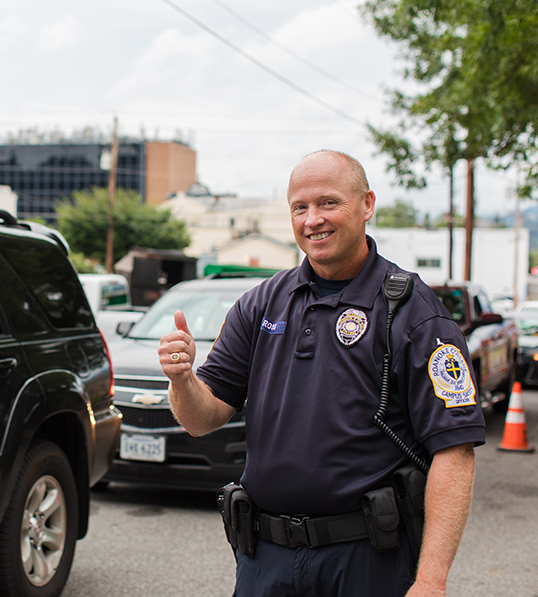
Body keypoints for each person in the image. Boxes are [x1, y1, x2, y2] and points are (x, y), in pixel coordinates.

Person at [159, 150, 484, 597]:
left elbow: (455, 451)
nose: (313, 219)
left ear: (367, 205)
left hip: (370, 559)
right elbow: (201, 419)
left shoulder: (415, 314)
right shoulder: (260, 305)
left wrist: (431, 580)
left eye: (329, 203)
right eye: (300, 207)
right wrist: (183, 381)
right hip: (265, 559)